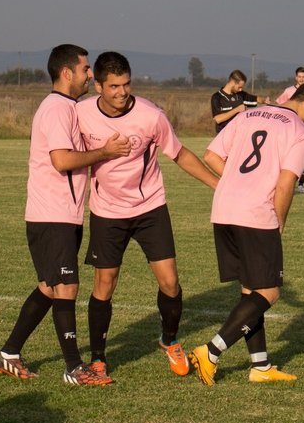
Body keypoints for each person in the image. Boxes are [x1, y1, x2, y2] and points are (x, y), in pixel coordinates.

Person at [0, 44, 129, 386]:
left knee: (50, 288)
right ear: (67, 73)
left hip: (64, 214)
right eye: (84, 69)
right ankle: (74, 368)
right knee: (66, 286)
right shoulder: (55, 109)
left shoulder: (68, 107)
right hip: (51, 214)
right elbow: (61, 160)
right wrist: (105, 152)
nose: (89, 74)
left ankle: (8, 354)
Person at [76, 51, 220, 382]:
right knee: (104, 283)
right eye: (113, 86)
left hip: (150, 207)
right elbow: (67, 153)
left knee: (170, 282)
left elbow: (180, 154)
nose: (121, 92)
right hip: (106, 211)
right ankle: (98, 358)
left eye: (126, 84)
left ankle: (169, 340)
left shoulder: (150, 115)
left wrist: (218, 185)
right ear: (98, 85)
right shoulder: (80, 114)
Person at [189, 77, 304, 385]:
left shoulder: (248, 114)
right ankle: (211, 351)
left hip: (224, 209)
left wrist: (237, 182)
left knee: (251, 290)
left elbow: (211, 156)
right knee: (269, 291)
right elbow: (285, 184)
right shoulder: (298, 131)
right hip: (256, 214)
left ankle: (260, 366)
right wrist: (279, 222)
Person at [276, 67, 304, 193]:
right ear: (296, 77)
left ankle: (300, 185)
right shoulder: (289, 91)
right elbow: (279, 104)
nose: (301, 79)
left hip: (303, 128)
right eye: (299, 77)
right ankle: (281, 182)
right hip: (289, 128)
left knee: (303, 156)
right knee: (285, 155)